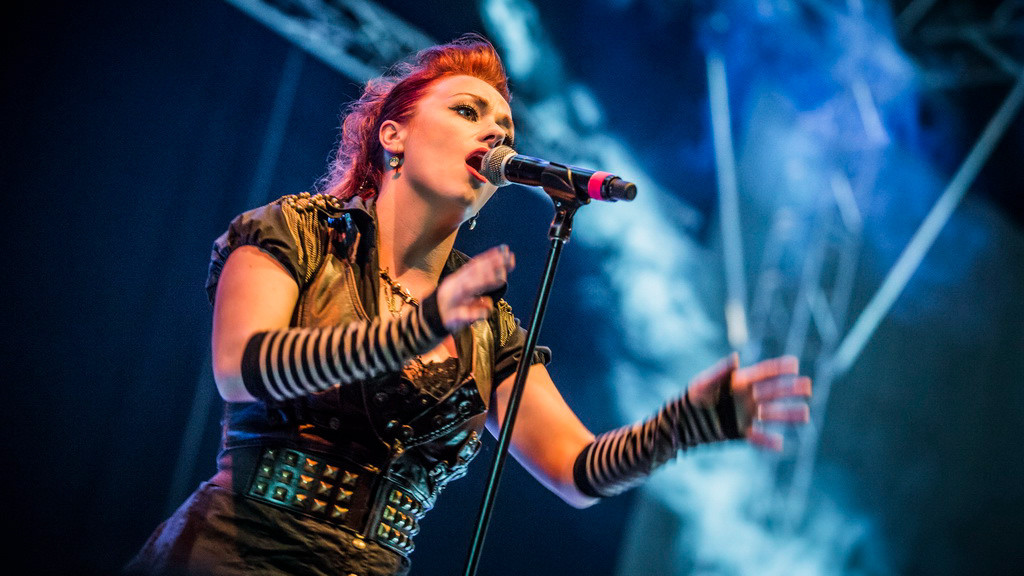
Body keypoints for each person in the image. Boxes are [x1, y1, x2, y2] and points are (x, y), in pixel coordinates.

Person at [124, 33, 812, 576]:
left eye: (505, 129)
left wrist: (679, 427)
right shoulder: (300, 232)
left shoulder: (488, 326)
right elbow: (241, 368)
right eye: (466, 111)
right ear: (393, 135)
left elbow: (575, 469)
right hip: (232, 555)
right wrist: (415, 329)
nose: (494, 136)